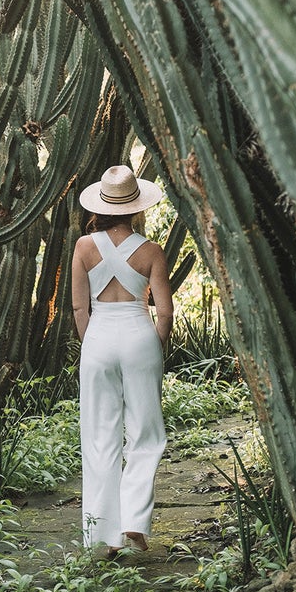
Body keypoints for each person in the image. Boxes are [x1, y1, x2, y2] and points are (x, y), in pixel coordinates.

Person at [72, 164, 174, 558]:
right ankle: (134, 521)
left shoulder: (84, 247)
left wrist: (93, 344)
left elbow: (80, 308)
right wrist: (155, 348)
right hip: (138, 336)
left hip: (98, 338)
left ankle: (105, 535)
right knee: (146, 432)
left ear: (101, 206)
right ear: (136, 209)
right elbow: (163, 312)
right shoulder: (151, 252)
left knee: (100, 437)